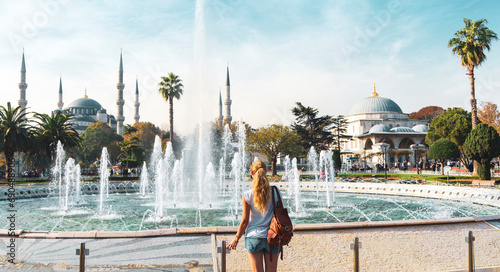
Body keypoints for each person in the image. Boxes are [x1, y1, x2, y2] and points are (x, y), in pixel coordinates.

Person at [227, 160, 281, 272]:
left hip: (254, 237)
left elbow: (245, 221)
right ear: (266, 172)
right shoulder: (275, 192)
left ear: (252, 173)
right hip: (273, 236)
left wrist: (236, 238)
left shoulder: (247, 195)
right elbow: (280, 214)